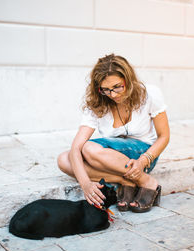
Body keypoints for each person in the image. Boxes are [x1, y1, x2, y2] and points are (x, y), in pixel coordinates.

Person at [57, 54, 170, 213]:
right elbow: (75, 147)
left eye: (118, 86)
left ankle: (147, 181)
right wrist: (86, 184)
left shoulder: (149, 94)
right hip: (112, 158)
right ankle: (125, 180)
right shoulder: (98, 104)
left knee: (88, 148)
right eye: (106, 89)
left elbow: (164, 136)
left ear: (128, 80)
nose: (113, 94)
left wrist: (143, 161)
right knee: (63, 159)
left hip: (144, 155)